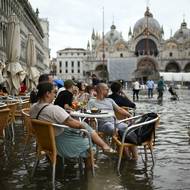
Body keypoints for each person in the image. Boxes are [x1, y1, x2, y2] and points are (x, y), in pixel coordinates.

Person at [30, 82, 113, 167]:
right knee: (89, 140)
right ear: (47, 94)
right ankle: (90, 170)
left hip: (45, 142)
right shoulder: (53, 110)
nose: (55, 95)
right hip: (60, 144)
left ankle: (100, 150)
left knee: (84, 131)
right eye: (54, 92)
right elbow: (76, 124)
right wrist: (84, 128)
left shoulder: (33, 108)